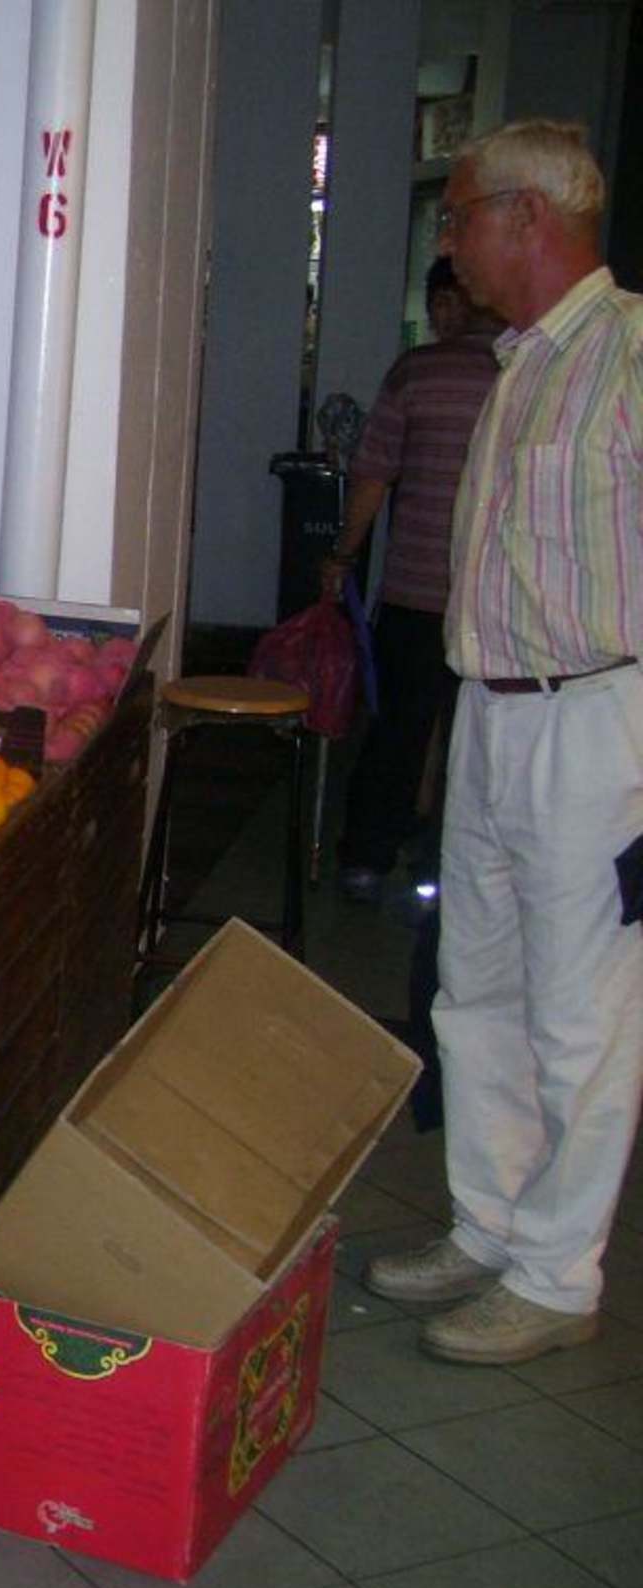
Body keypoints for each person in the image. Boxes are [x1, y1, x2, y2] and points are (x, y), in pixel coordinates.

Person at [364, 121, 643, 1367]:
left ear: (529, 216)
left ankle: (556, 1274)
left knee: (583, 1019)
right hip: (492, 712)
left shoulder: (630, 353)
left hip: (601, 722)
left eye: (460, 212)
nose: (450, 238)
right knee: (474, 993)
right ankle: (488, 1226)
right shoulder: (517, 362)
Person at [326, 259, 502, 905]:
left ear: (452, 301)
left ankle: (366, 860)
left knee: (397, 729)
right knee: (474, 745)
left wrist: (343, 555)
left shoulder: (417, 372)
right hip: (494, 601)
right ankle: (443, 872)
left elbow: (373, 475)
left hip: (415, 592)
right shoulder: (521, 371)